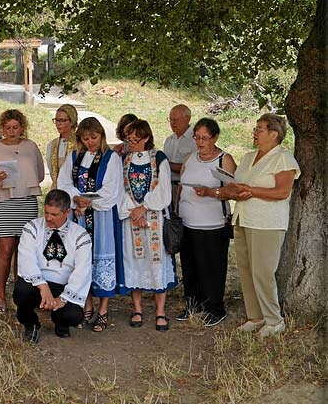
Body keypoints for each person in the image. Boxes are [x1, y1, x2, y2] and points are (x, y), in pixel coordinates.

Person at [220, 113, 300, 337]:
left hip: (267, 223)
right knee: (245, 270)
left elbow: (282, 192)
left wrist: (251, 191)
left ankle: (274, 320)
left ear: (274, 134)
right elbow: (238, 183)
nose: (255, 132)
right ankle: (255, 317)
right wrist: (234, 189)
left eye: (260, 129)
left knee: (263, 271)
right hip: (244, 218)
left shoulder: (282, 158)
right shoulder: (247, 157)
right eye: (255, 128)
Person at [58, 117, 124, 332]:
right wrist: (76, 198)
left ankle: (103, 310)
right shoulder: (75, 156)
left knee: (100, 258)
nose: (90, 142)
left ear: (102, 136)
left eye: (94, 137)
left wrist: (89, 201)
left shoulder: (111, 158)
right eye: (85, 138)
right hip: (78, 216)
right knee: (81, 260)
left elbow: (111, 188)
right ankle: (86, 304)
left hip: (101, 216)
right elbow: (64, 182)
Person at [0, 109, 44, 314]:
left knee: (23, 251)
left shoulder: (31, 146)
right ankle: (1, 295)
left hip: (26, 201)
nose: (11, 131)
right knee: (6, 250)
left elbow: (40, 173)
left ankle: (21, 293)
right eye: (7, 128)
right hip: (2, 201)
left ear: (22, 127)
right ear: (2, 128)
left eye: (15, 127)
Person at [177, 118, 237, 327]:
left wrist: (212, 192)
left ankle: (215, 307)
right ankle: (194, 303)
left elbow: (235, 190)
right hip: (188, 221)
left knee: (212, 267)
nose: (200, 142)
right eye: (197, 137)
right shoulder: (190, 158)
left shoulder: (224, 159)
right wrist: (177, 211)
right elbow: (181, 187)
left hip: (213, 224)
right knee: (190, 266)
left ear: (215, 137)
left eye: (204, 138)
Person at [118, 119, 176, 331]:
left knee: (157, 260)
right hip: (131, 218)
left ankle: (160, 311)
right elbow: (120, 189)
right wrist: (133, 212)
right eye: (128, 139)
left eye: (135, 139)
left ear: (146, 138)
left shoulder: (159, 158)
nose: (131, 143)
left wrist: (145, 207)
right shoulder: (124, 159)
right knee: (134, 260)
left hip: (155, 219)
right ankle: (137, 308)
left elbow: (164, 190)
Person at [13, 189, 92, 343]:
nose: (48, 218)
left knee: (74, 315)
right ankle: (31, 324)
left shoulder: (80, 235)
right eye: (46, 212)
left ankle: (61, 322)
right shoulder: (32, 228)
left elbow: (83, 270)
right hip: (37, 283)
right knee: (21, 292)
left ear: (68, 212)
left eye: (54, 215)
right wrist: (43, 287)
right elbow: (26, 260)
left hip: (63, 285)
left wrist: (61, 299)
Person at [163, 104, 195, 210]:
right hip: (168, 187)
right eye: (170, 119)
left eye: (176, 120)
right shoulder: (169, 140)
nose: (172, 123)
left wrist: (165, 164)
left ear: (187, 119)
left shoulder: (195, 140)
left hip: (186, 189)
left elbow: (191, 168)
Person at [45, 104, 78, 189]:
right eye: (56, 120)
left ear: (72, 122)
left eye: (62, 120)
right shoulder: (52, 145)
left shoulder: (80, 144)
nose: (58, 124)